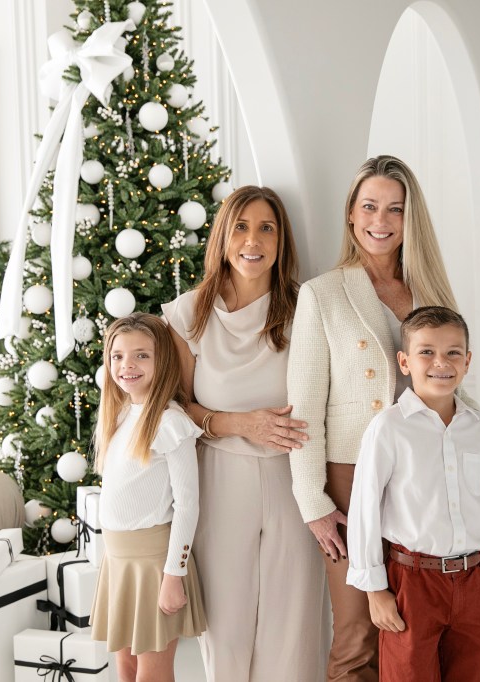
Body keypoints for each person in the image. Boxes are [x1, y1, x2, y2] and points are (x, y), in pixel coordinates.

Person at [288, 155, 480, 681]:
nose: (381, 221)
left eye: (395, 209)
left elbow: (445, 369)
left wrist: (476, 417)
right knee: (357, 630)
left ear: (410, 217)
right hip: (350, 473)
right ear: (351, 214)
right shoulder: (322, 293)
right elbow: (304, 407)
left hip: (424, 477)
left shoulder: (430, 288)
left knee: (408, 628)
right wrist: (313, 502)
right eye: (369, 206)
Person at [162, 185, 326, 681]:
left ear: (281, 240)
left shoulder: (305, 309)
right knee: (226, 625)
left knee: (294, 624)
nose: (252, 240)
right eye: (241, 227)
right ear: (223, 237)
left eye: (266, 228)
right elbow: (175, 410)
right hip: (219, 477)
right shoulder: (187, 314)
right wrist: (241, 424)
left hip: (294, 477)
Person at [346, 306, 480, 682]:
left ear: (467, 361)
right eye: (427, 352)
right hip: (413, 582)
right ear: (404, 362)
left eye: (453, 352)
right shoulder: (388, 428)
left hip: (478, 579)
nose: (441, 362)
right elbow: (364, 509)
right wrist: (375, 590)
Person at [89, 312, 207, 682]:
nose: (127, 365)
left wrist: (174, 574)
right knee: (125, 668)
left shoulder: (171, 423)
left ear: (162, 360)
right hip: (119, 561)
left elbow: (187, 505)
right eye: (118, 356)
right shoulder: (119, 414)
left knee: (151, 674)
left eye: (141, 355)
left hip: (154, 565)